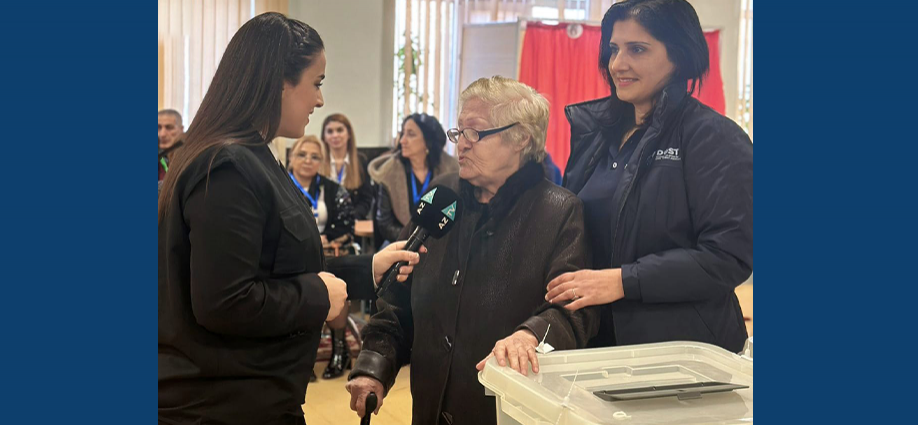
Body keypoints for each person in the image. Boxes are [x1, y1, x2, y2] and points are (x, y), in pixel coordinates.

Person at [158, 13, 419, 424]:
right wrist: (318, 298)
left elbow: (276, 263)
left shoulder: (251, 155)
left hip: (250, 395)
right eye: (316, 83)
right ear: (279, 82)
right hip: (221, 404)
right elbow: (224, 301)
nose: (319, 100)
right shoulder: (227, 166)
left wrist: (366, 268)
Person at [346, 77, 598, 425]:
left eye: (475, 133)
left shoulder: (559, 211)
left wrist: (531, 334)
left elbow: (572, 312)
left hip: (503, 409)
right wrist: (374, 365)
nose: (461, 145)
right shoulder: (441, 196)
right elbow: (397, 294)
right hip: (429, 406)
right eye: (458, 132)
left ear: (521, 138)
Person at [547, 0, 753, 352]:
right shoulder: (594, 135)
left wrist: (625, 281)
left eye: (637, 50)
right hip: (594, 344)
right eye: (613, 49)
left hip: (684, 354)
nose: (618, 64)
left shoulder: (713, 137)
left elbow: (728, 257)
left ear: (679, 56)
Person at [288, 134, 358, 380]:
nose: (308, 160)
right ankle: (300, 357)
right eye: (302, 154)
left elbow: (347, 226)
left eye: (315, 156)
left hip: (326, 254)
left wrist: (327, 239)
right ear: (291, 158)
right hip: (290, 257)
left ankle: (340, 351)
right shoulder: (280, 185)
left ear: (322, 161)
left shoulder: (332, 189)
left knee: (335, 280)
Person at [368, 113, 459, 243]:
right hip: (398, 243)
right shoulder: (389, 172)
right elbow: (385, 224)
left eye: (411, 134)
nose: (402, 140)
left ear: (427, 141)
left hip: (439, 243)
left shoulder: (450, 170)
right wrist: (415, 241)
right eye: (403, 133)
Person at [320, 114, 374, 220]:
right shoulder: (317, 161)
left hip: (353, 224)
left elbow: (366, 199)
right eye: (330, 131)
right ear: (324, 137)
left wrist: (351, 219)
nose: (335, 135)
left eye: (339, 130)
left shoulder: (361, 161)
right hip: (324, 225)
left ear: (349, 134)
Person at [158, 109, 184, 181]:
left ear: (181, 129)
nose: (162, 134)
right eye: (158, 127)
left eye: (169, 127)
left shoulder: (190, 156)